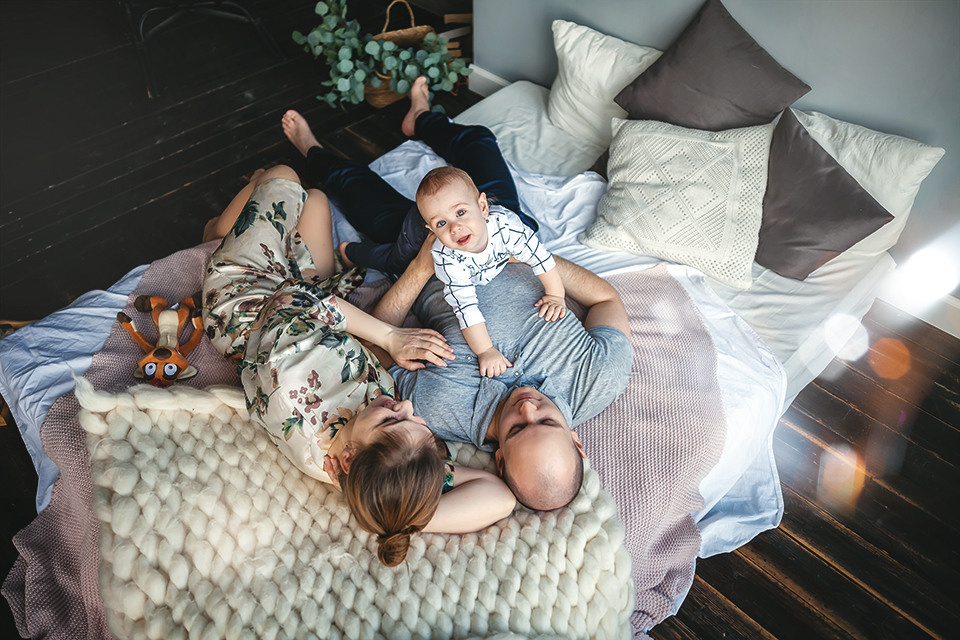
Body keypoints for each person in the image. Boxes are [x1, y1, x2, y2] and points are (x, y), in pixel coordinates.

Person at [281, 77, 632, 511]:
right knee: (479, 143)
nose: (527, 408)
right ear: (577, 440)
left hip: (420, 256)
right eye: (547, 420)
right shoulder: (599, 377)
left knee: (351, 186)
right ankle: (424, 119)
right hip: (497, 231)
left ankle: (312, 149)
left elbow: (378, 343)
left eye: (519, 430)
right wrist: (529, 257)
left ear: (499, 460)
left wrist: (421, 265)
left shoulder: (445, 411)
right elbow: (606, 300)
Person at [200, 164, 516, 566]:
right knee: (316, 203)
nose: (407, 408)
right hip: (317, 318)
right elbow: (499, 498)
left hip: (252, 295)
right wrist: (398, 516)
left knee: (287, 176)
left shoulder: (294, 388)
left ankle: (215, 235)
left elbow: (292, 299)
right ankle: (242, 222)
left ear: (346, 458)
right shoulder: (384, 466)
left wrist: (389, 337)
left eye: (392, 420)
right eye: (418, 424)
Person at [342, 163, 567, 377]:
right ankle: (352, 251)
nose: (455, 228)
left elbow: (542, 259)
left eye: (460, 212)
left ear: (482, 206)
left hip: (454, 215)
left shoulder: (508, 228)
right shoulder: (447, 258)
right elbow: (466, 308)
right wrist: (485, 351)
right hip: (417, 238)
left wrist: (556, 295)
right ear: (431, 228)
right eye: (442, 223)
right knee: (393, 260)